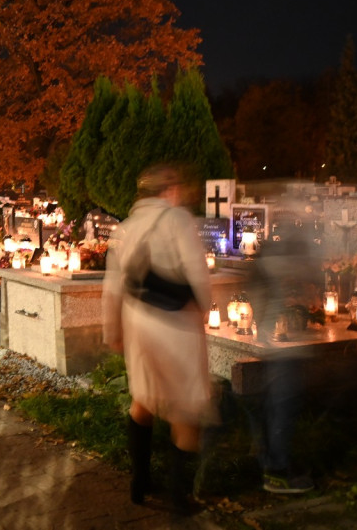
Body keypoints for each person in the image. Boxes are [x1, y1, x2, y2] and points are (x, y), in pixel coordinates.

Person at [101, 163, 215, 512]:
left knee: (144, 400)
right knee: (185, 409)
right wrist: (204, 309)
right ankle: (180, 497)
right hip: (175, 324)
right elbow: (197, 274)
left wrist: (112, 330)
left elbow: (113, 286)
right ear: (170, 189)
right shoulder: (178, 220)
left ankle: (140, 483)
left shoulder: (126, 227)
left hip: (138, 322)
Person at [245, 210, 318, 494]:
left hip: (274, 340)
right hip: (282, 344)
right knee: (282, 405)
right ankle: (276, 470)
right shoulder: (283, 258)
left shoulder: (272, 255)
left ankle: (269, 460)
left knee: (274, 405)